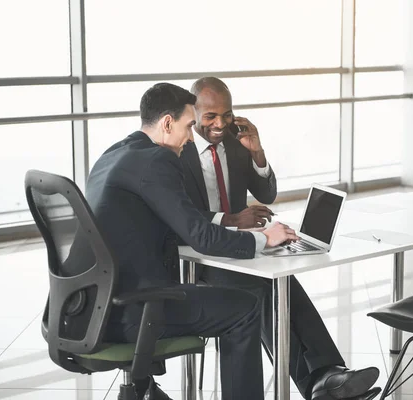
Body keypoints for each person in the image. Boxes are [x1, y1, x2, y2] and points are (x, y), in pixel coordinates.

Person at [84, 82, 299, 400]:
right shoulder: (157, 161)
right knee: (246, 307)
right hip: (133, 311)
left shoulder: (114, 154)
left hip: (93, 308)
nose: (189, 137)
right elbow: (201, 236)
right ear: (167, 124)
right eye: (187, 127)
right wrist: (263, 239)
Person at [180, 77, 381, 400]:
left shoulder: (233, 142)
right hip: (200, 255)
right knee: (261, 288)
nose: (221, 124)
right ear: (193, 113)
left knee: (282, 280)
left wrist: (257, 153)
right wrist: (232, 219)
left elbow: (267, 193)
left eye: (227, 115)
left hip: (238, 245)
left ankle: (326, 374)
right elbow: (181, 217)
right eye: (210, 117)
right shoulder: (179, 149)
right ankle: (321, 381)